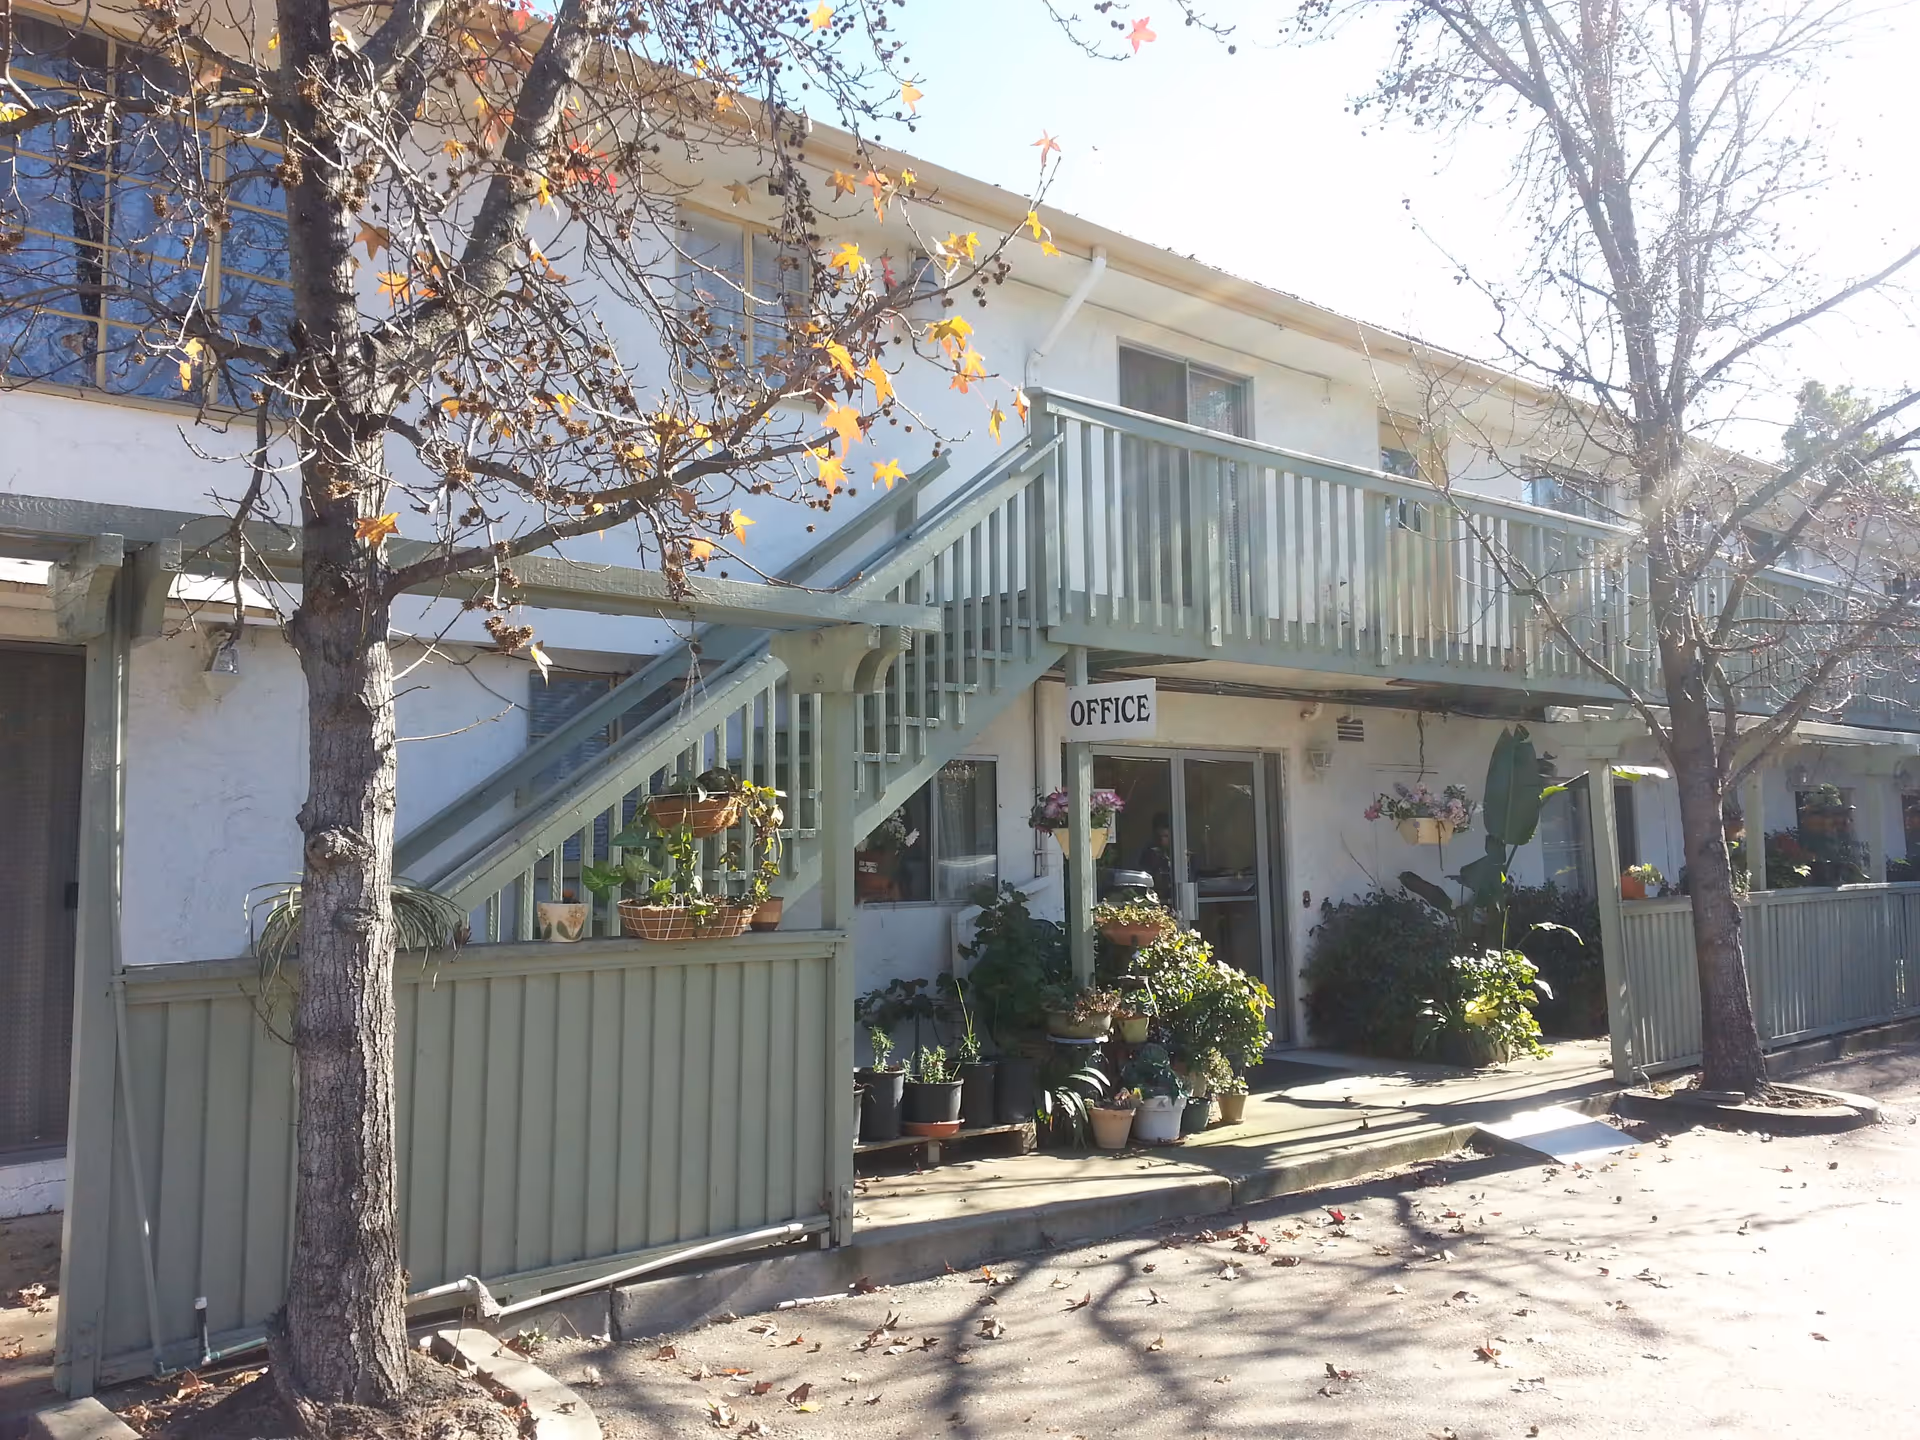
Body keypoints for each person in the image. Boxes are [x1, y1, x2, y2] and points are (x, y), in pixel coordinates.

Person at [1138, 812, 1178, 905]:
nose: (1162, 840)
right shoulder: (1150, 852)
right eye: (1159, 836)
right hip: (1156, 898)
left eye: (1166, 836)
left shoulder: (1181, 852)